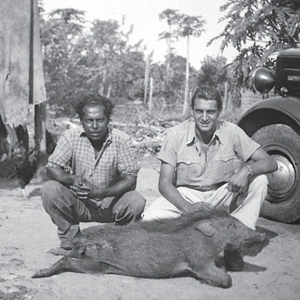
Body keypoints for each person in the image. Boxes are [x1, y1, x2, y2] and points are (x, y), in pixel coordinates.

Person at [142, 86, 278, 270]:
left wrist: (247, 170)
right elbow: (164, 183)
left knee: (260, 181)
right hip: (187, 196)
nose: (204, 117)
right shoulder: (175, 135)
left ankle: (234, 246)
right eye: (199, 111)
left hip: (223, 194)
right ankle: (192, 246)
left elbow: (271, 162)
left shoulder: (232, 132)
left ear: (219, 112)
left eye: (210, 112)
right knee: (151, 218)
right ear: (192, 111)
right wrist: (187, 208)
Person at [42, 94, 146, 250]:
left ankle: (118, 239)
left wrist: (101, 192)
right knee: (50, 189)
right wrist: (72, 179)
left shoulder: (122, 140)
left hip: (111, 203)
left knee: (136, 200)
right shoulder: (70, 137)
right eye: (89, 121)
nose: (95, 126)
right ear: (81, 121)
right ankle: (71, 239)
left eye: (100, 120)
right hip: (81, 202)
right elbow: (51, 168)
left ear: (108, 120)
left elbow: (130, 180)